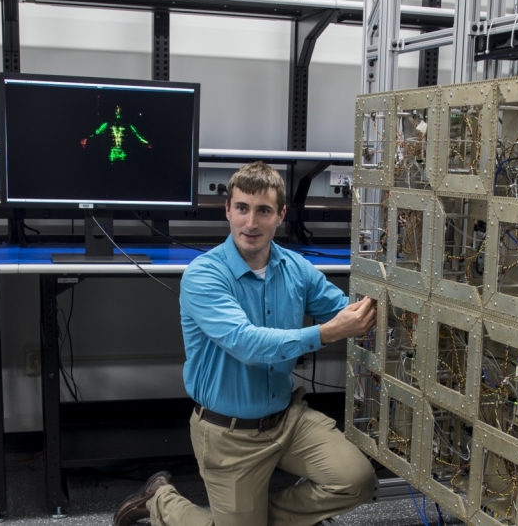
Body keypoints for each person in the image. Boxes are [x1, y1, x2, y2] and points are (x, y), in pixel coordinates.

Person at [112, 161, 378, 526]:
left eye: (264, 211)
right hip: (228, 434)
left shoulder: (296, 268)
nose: (251, 223)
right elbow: (246, 343)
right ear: (228, 210)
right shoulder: (203, 275)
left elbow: (343, 311)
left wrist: (380, 306)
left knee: (356, 481)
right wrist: (325, 333)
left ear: (281, 214)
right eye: (242, 208)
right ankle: (160, 500)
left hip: (287, 420)